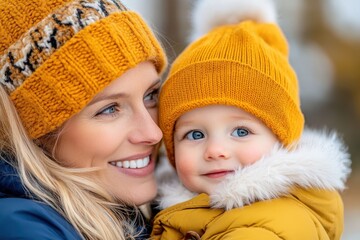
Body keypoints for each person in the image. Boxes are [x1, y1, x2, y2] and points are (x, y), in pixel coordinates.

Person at [151, 0, 351, 239]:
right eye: (195, 134)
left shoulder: (265, 227)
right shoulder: (182, 209)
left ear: (282, 138)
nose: (215, 151)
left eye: (241, 131)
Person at [0, 0, 167, 239]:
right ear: (35, 132)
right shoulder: (22, 228)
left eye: (150, 96)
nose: (153, 133)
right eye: (109, 109)